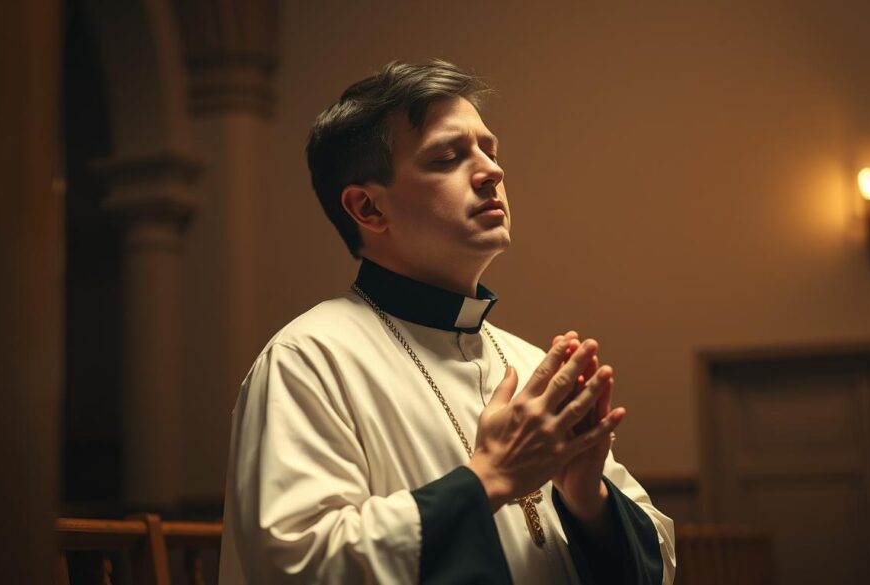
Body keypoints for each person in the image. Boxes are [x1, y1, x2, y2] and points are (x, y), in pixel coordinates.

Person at [218, 59, 676, 584]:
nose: (492, 171)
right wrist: (489, 478)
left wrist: (586, 498)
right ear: (368, 207)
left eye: (490, 149)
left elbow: (659, 564)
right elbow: (296, 564)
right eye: (448, 157)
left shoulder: (532, 366)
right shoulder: (308, 359)